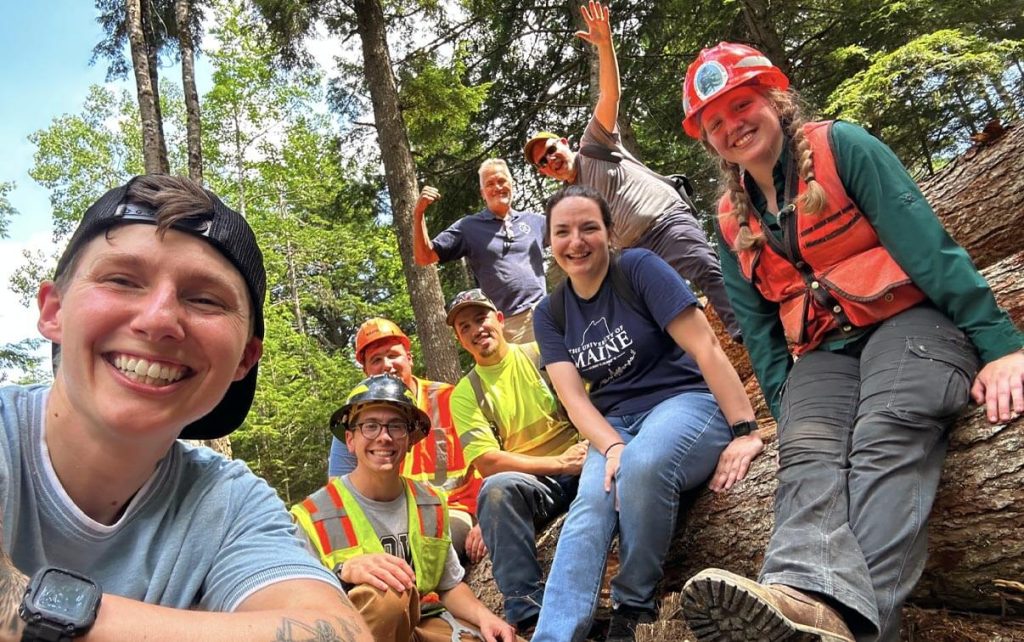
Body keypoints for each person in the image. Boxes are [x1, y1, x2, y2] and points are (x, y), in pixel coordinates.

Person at [676, 43, 1024, 642]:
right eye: (716, 122)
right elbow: (760, 333)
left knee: (887, 431)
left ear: (774, 100)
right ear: (707, 140)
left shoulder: (843, 149)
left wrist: (1001, 347)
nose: (734, 125)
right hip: (825, 354)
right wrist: (791, 412)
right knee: (809, 455)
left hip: (912, 324)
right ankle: (794, 601)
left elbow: (929, 250)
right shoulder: (734, 221)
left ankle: (851, 626)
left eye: (743, 104)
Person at [0, 175, 371, 642]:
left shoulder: (231, 503)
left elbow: (336, 633)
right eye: (121, 280)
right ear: (53, 310)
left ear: (244, 359)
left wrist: (39, 610)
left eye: (203, 299)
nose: (158, 320)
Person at [529, 185, 763, 642]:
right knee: (589, 507)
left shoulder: (638, 269)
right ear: (550, 243)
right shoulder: (551, 313)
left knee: (642, 466)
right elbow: (575, 399)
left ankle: (633, 606)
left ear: (610, 232)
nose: (576, 241)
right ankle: (553, 636)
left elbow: (705, 346)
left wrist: (746, 429)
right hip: (614, 424)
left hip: (684, 405)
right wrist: (612, 445)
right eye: (563, 232)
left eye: (588, 228)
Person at [523, 1, 741, 340]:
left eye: (551, 150)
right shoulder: (570, 199)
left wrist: (604, 43)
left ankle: (749, 335)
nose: (550, 160)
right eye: (542, 162)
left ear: (565, 143)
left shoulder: (593, 143)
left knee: (704, 267)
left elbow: (611, 94)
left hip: (664, 220)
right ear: (544, 172)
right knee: (657, 314)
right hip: (634, 254)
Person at [292, 375, 519, 642]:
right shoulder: (315, 514)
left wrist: (485, 617)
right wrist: (342, 573)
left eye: (396, 426)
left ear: (410, 440)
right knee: (387, 595)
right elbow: (294, 603)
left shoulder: (430, 503)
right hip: (350, 629)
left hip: (425, 622)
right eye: (370, 426)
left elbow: (449, 584)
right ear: (350, 440)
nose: (384, 437)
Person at [445, 288, 588, 634]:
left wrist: (589, 447)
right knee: (495, 490)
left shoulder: (541, 354)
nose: (476, 329)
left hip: (587, 457)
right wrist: (561, 464)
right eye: (465, 327)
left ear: (500, 319)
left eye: (481, 318)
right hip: (537, 484)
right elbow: (487, 462)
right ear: (460, 340)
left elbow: (593, 399)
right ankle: (528, 614)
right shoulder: (467, 393)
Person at [328, 318, 482, 557]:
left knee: (422, 549)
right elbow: (338, 490)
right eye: (376, 360)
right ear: (366, 370)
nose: (387, 365)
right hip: (388, 516)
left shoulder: (448, 399)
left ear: (409, 358)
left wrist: (488, 517)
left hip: (451, 509)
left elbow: (485, 458)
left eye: (393, 355)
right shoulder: (354, 417)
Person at [413, 159, 548, 343]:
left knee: (560, 370)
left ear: (511, 184)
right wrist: (419, 214)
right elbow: (424, 257)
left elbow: (574, 238)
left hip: (544, 314)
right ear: (482, 193)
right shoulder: (468, 227)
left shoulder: (536, 222)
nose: (497, 187)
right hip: (505, 325)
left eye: (502, 181)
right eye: (490, 184)